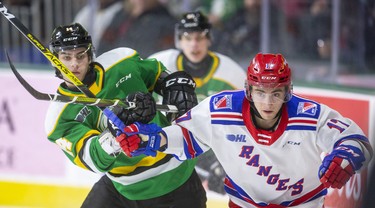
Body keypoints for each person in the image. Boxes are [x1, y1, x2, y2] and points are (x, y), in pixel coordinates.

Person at [116, 53, 373, 207]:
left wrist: (346, 157)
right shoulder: (221, 108)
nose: (268, 102)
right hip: (244, 204)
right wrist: (149, 138)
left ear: (288, 91)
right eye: (260, 92)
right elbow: (186, 137)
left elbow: (355, 140)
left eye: (276, 93)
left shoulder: (309, 114)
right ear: (249, 90)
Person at [44, 23, 206, 207]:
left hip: (177, 179)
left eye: (80, 55)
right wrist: (114, 133)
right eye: (66, 57)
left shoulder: (122, 61)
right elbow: (93, 159)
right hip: (123, 188)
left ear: (90, 55)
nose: (74, 64)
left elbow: (157, 73)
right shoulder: (59, 118)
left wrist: (174, 84)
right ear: (54, 60)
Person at [148, 10, 246, 194]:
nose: (194, 44)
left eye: (200, 37)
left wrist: (229, 160)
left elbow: (244, 123)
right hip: (166, 147)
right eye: (188, 37)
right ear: (179, 39)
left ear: (209, 39)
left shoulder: (231, 74)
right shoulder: (159, 65)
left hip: (213, 154)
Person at [97, 0, 176, 57]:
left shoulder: (167, 22)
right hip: (115, 70)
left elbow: (166, 55)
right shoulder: (120, 15)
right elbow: (104, 44)